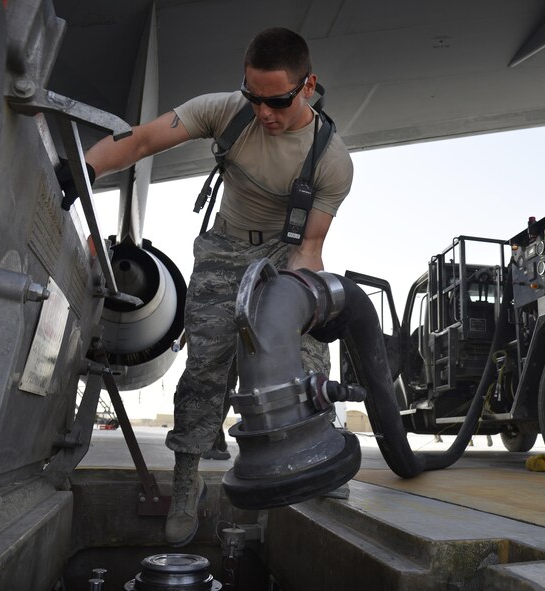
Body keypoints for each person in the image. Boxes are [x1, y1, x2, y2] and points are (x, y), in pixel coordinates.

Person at [58, 27, 353, 547]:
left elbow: (310, 249)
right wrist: (85, 168)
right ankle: (189, 479)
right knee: (205, 369)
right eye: (254, 96)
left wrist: (304, 308)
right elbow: (145, 138)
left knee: (305, 362)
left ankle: (313, 461)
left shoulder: (332, 161)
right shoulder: (225, 111)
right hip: (222, 250)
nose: (264, 112)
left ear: (308, 86)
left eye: (278, 100)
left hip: (284, 256)